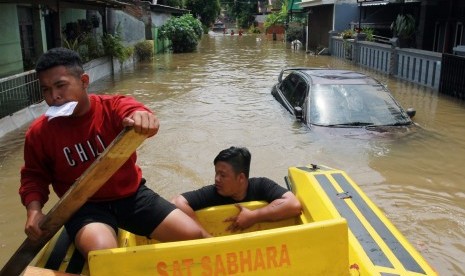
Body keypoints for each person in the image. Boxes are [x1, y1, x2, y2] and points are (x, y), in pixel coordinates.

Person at [19, 47, 204, 258]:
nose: (54, 97)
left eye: (61, 86)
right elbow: (34, 176)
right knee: (104, 252)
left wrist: (143, 119)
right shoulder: (39, 133)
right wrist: (33, 211)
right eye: (46, 90)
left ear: (84, 81)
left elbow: (136, 111)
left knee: (193, 235)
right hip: (82, 207)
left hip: (131, 196)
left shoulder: (111, 107)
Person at [172, 146, 302, 237]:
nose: (216, 179)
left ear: (241, 178)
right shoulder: (213, 192)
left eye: (222, 175)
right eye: (216, 173)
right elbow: (177, 202)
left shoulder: (261, 185)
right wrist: (204, 236)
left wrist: (254, 216)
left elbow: (294, 205)